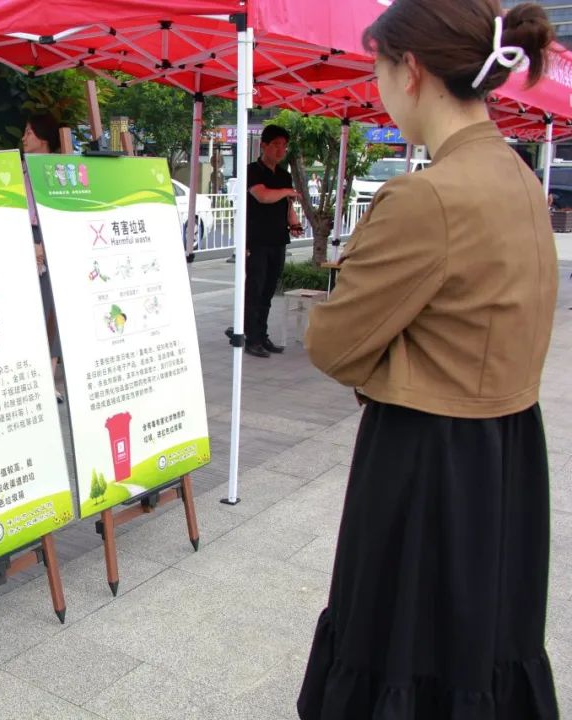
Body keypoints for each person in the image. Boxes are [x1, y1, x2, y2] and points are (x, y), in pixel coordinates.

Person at [297, 2, 559, 719]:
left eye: (379, 69)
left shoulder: (428, 196)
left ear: (410, 70)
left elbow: (332, 342)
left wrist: (394, 367)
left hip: (425, 462)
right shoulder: (520, 180)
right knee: (477, 644)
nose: (378, 87)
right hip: (505, 455)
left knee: (403, 645)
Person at [237, 125, 304, 358]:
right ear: (263, 145)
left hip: (278, 239)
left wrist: (294, 222)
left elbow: (287, 205)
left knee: (268, 291)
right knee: (254, 290)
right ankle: (251, 338)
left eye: (284, 146)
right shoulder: (252, 171)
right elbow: (262, 195)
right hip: (256, 240)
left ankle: (262, 335)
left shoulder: (284, 175)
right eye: (276, 145)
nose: (280, 150)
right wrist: (287, 192)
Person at [22, 114, 65, 403]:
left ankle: (48, 377)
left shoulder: (59, 170)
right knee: (29, 311)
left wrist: (45, 245)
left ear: (44, 137)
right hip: (24, 237)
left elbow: (61, 209)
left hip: (51, 238)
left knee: (52, 311)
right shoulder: (20, 170)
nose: (24, 138)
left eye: (29, 132)